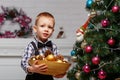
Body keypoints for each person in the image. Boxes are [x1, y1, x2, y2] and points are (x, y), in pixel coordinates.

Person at [21, 12, 65, 80]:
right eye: (42, 26)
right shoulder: (31, 46)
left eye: (49, 27)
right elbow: (24, 62)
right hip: (33, 77)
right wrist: (32, 69)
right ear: (35, 29)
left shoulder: (53, 47)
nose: (46, 29)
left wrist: (58, 73)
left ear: (52, 31)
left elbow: (57, 63)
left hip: (48, 78)